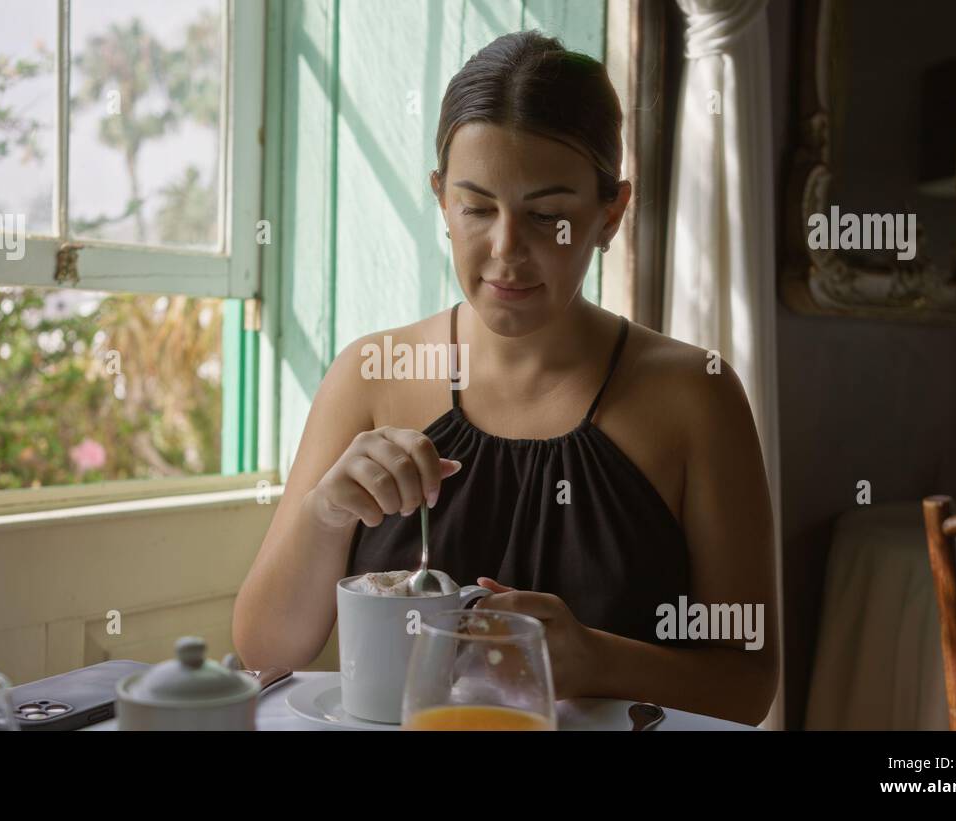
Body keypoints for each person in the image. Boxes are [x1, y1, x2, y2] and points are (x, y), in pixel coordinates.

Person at [233, 30, 778, 725]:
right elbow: (261, 651)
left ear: (610, 213)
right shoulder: (371, 377)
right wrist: (324, 514)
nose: (506, 249)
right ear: (440, 200)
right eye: (478, 207)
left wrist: (594, 657)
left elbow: (748, 683)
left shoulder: (695, 395)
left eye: (548, 215)